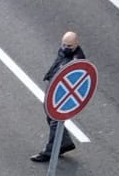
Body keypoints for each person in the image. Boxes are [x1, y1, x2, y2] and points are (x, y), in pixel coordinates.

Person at [30, 31, 83, 162]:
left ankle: (50, 151)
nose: (65, 48)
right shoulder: (65, 52)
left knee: (55, 120)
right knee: (52, 118)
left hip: (62, 95)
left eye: (69, 46)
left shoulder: (76, 61)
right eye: (64, 44)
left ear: (76, 44)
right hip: (55, 89)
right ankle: (64, 142)